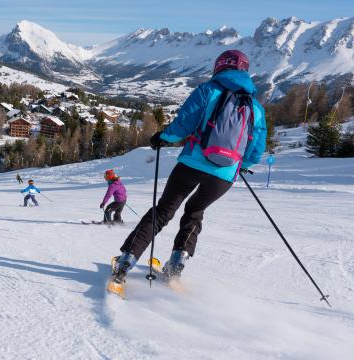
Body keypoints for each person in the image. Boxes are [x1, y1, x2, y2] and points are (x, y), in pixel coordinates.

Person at [111, 50, 267, 283]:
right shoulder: (255, 107)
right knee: (194, 212)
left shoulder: (207, 91)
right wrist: (239, 165)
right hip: (223, 176)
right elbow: (256, 150)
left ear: (218, 67)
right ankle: (177, 264)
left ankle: (126, 261)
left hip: (191, 164)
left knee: (163, 211)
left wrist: (162, 138)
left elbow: (182, 126)